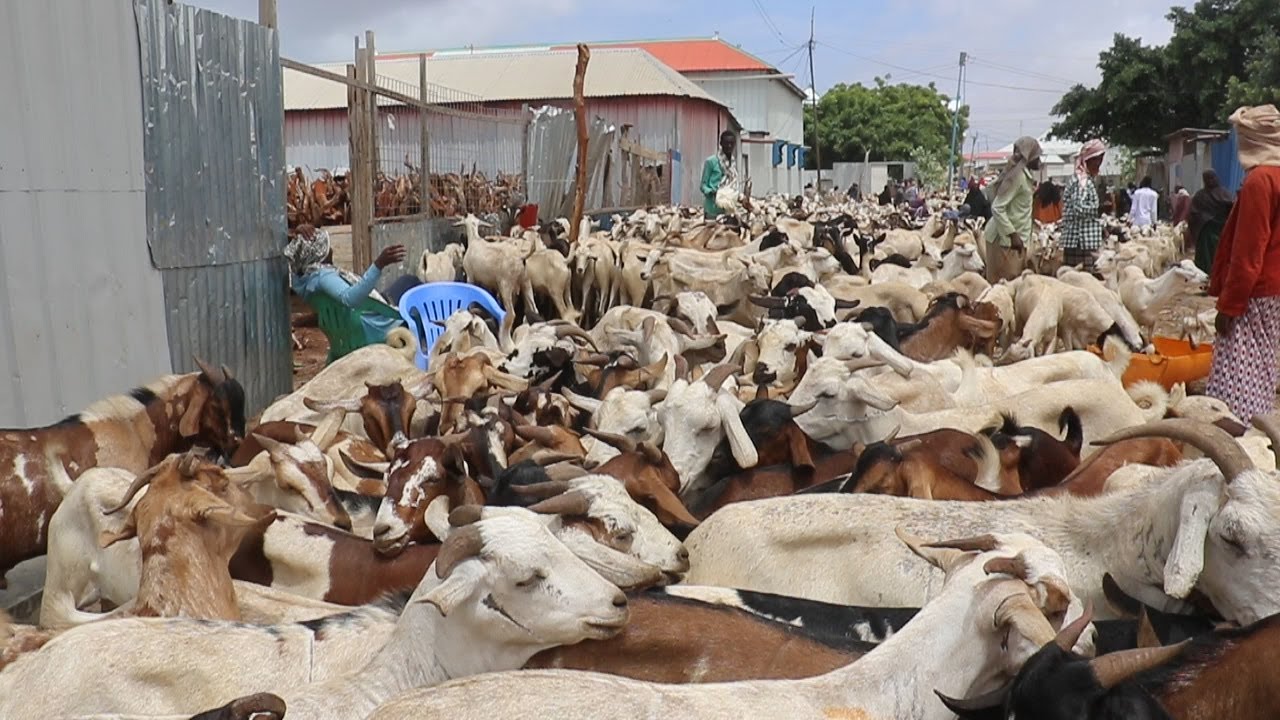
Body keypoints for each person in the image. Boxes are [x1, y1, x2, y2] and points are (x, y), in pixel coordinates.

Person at [1204, 104, 1280, 422]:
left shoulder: (1260, 182)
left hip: (1255, 294)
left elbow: (1248, 254)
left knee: (1236, 382)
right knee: (1264, 367)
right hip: (1274, 293)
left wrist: (1228, 307)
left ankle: (1245, 442)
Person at [286, 224, 408, 346]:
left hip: (356, 319)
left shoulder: (303, 280)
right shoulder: (323, 277)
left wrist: (299, 233)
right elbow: (350, 298)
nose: (331, 250)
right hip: (372, 325)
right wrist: (378, 265)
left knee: (404, 283)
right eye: (326, 246)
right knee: (409, 282)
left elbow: (295, 263)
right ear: (319, 253)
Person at [983, 136, 1042, 282]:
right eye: (1036, 156)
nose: (1039, 161)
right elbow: (997, 207)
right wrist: (1012, 234)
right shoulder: (1018, 177)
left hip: (1014, 241)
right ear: (1029, 157)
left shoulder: (1024, 176)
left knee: (1013, 284)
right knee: (1003, 286)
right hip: (1004, 241)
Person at [1060, 140, 1108, 270]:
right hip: (1082, 242)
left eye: (1101, 159)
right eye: (1096, 159)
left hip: (1078, 239)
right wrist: (1098, 209)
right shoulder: (1082, 181)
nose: (1099, 163)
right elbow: (1079, 208)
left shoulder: (1081, 178)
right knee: (1083, 281)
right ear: (1088, 159)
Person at [1186, 170, 1235, 273]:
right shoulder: (1226, 194)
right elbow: (1234, 213)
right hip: (1222, 232)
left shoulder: (1199, 196)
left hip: (1206, 234)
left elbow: (1192, 216)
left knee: (1206, 259)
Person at [700, 130, 739, 219]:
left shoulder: (732, 164)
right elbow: (703, 186)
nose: (729, 146)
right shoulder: (711, 162)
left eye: (731, 143)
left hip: (728, 211)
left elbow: (733, 185)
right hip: (712, 211)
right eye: (726, 143)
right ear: (721, 144)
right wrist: (712, 192)